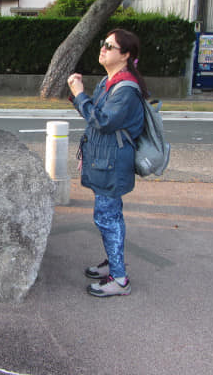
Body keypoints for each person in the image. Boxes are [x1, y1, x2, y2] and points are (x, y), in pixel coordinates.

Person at [67, 28, 149, 297]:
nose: (102, 48)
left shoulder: (125, 89)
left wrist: (79, 94)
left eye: (110, 46)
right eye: (103, 44)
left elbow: (102, 121)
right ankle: (113, 265)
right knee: (107, 216)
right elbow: (97, 118)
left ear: (126, 55)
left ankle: (120, 279)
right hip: (103, 159)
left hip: (112, 162)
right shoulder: (109, 82)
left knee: (107, 218)